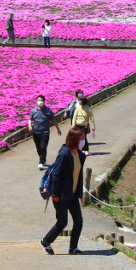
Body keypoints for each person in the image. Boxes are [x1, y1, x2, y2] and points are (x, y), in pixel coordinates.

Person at [40, 127, 87, 255]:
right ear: (75, 139)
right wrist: (54, 194)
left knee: (78, 221)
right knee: (62, 222)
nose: (83, 140)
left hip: (72, 194)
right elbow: (56, 175)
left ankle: (73, 248)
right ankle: (45, 241)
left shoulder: (80, 154)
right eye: (81, 138)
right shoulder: (64, 154)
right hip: (60, 195)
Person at [28, 95, 59, 170]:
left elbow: (53, 120)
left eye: (41, 100)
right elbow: (30, 119)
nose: (40, 101)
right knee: (38, 148)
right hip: (36, 132)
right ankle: (43, 159)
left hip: (45, 132)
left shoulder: (48, 111)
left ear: (44, 101)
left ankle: (41, 162)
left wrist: (58, 128)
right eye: (38, 100)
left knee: (43, 146)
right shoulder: (34, 111)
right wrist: (29, 126)